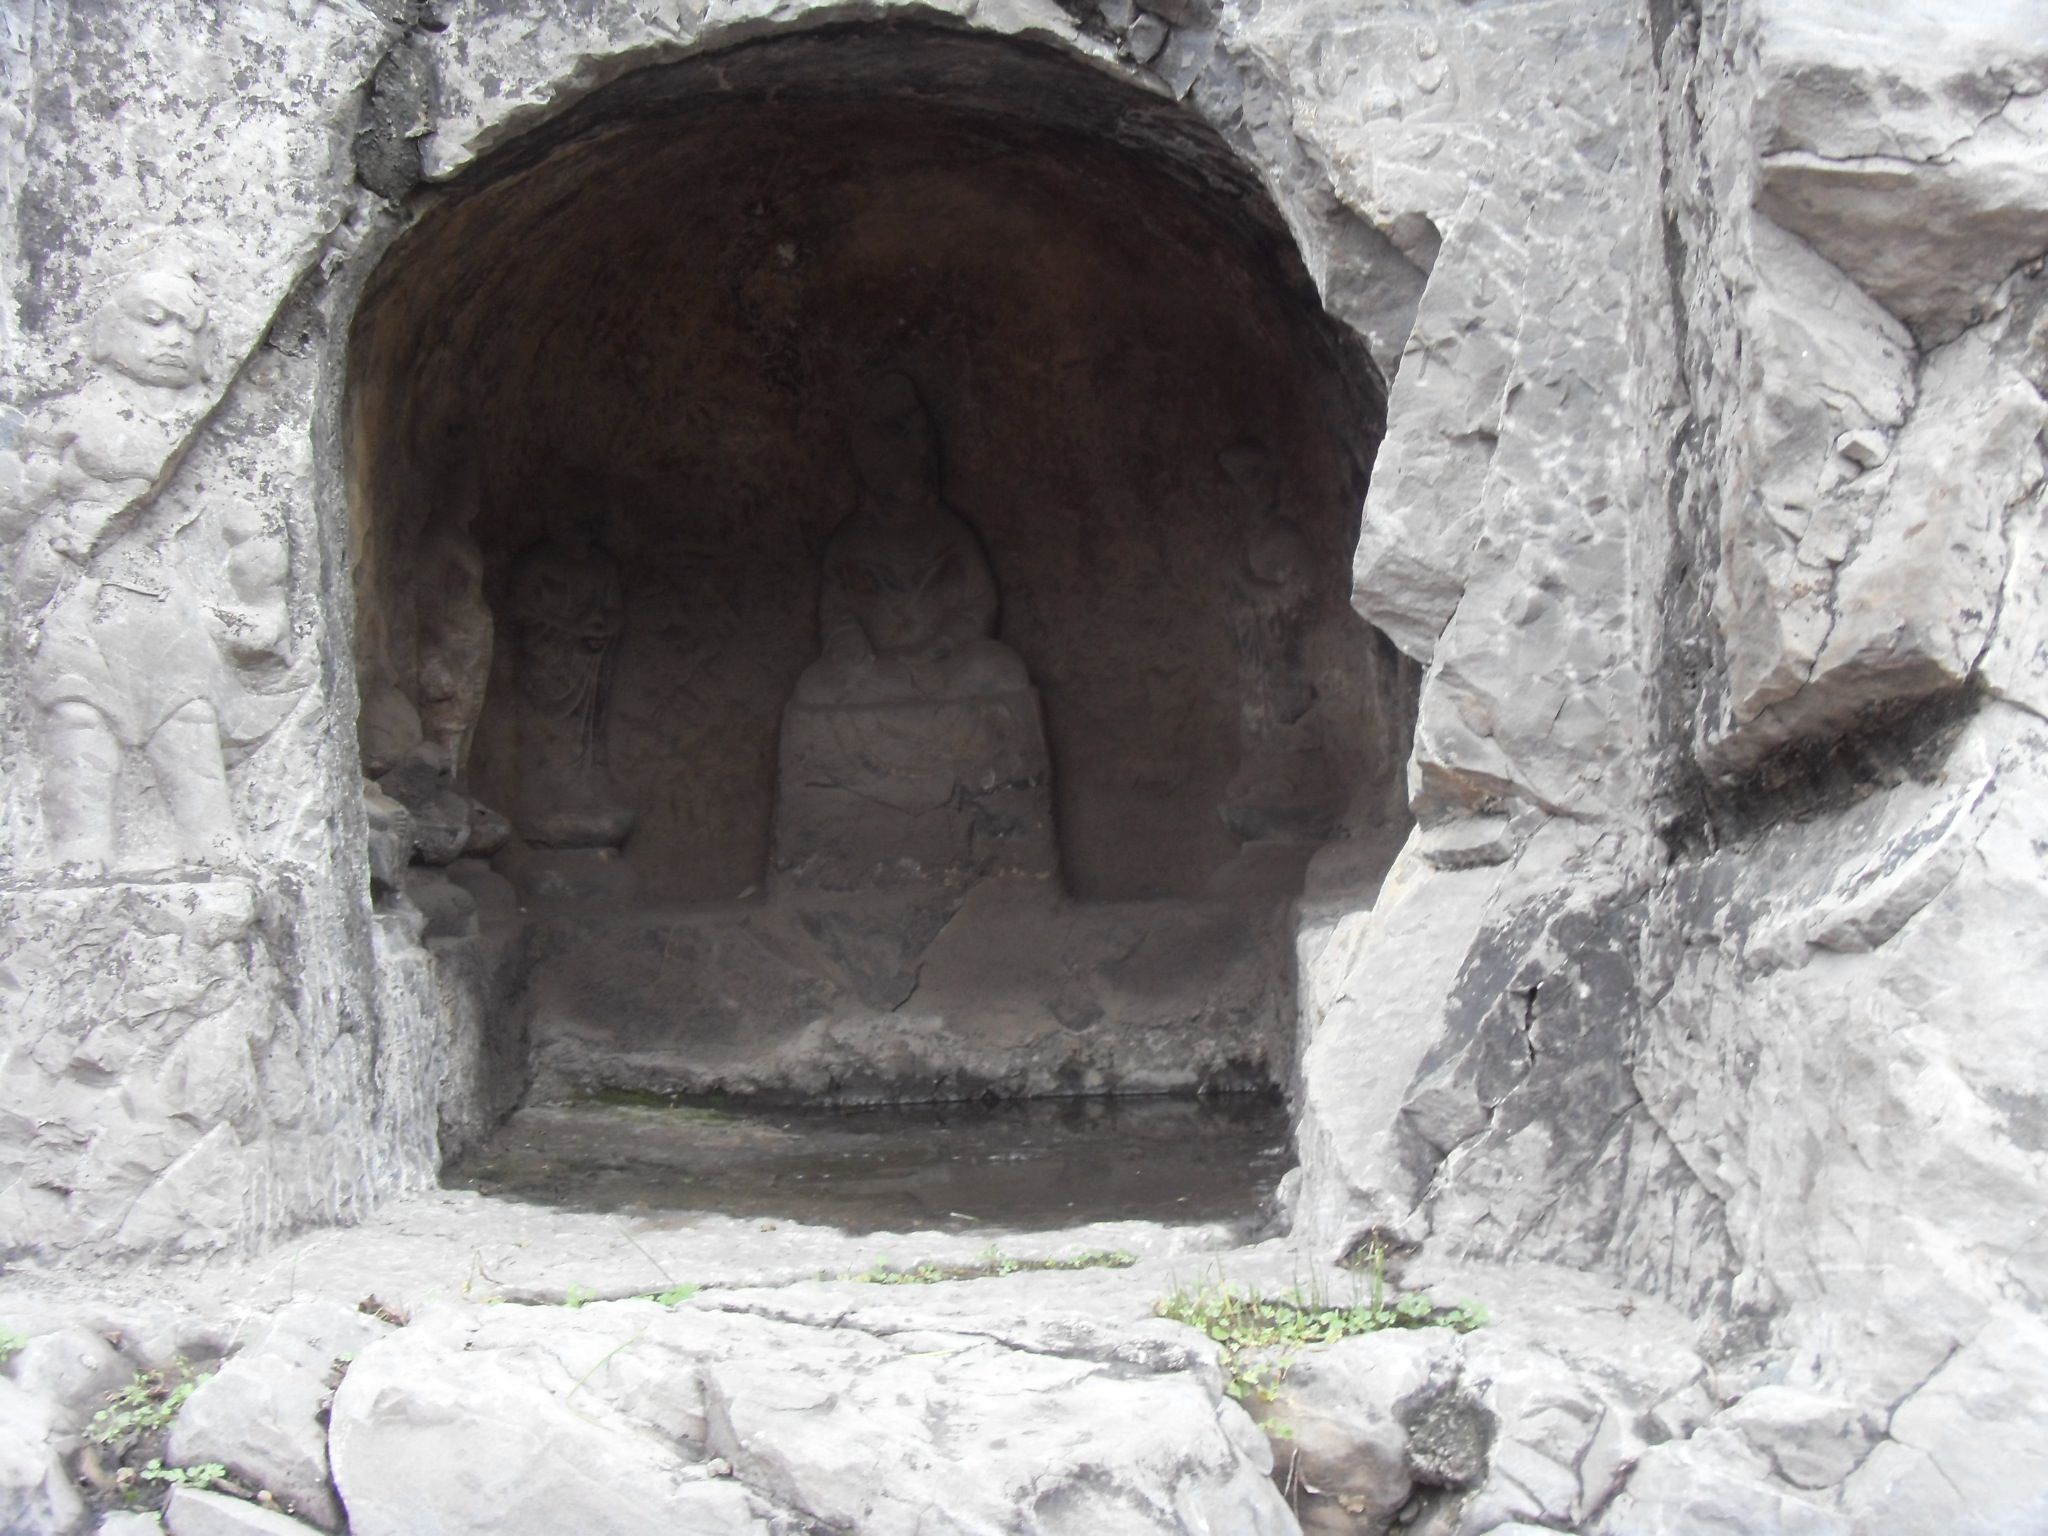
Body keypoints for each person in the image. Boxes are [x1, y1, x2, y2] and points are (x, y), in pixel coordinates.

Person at [9, 265, 244, 872]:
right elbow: (15, 507)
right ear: (112, 328)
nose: (173, 340)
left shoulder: (207, 416)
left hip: (160, 596)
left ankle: (210, 840)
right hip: (77, 595)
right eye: (155, 321)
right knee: (77, 717)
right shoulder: (68, 419)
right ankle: (81, 846)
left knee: (187, 716)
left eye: (190, 328)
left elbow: (242, 522)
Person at [795, 371, 1027, 705]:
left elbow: (981, 603)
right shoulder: (848, 541)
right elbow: (835, 612)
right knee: (813, 687)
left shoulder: (950, 531)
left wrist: (942, 645)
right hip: (874, 673)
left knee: (1004, 670)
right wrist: (848, 644)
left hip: (942, 666)